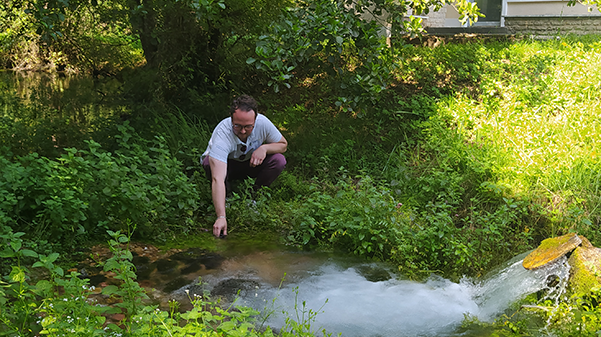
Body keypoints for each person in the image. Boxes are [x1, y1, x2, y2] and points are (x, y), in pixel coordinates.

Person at [201, 95, 287, 238]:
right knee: (208, 163)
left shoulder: (263, 123)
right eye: (238, 126)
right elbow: (217, 179)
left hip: (252, 163)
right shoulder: (222, 133)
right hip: (227, 166)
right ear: (231, 119)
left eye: (248, 127)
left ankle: (254, 198)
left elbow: (283, 145)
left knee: (278, 160)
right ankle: (226, 199)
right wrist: (221, 216)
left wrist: (264, 148)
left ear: (255, 120)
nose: (242, 131)